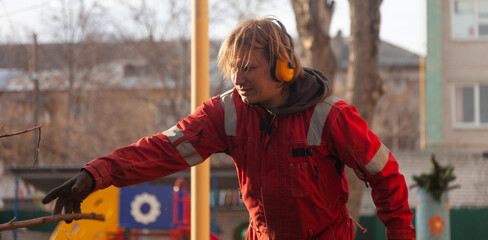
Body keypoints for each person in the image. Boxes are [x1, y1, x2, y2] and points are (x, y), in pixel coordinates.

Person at [42, 17, 416, 240]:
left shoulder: (331, 115)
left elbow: (387, 177)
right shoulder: (226, 113)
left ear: (284, 67)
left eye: (248, 68)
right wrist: (96, 174)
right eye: (232, 68)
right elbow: (163, 150)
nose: (237, 79)